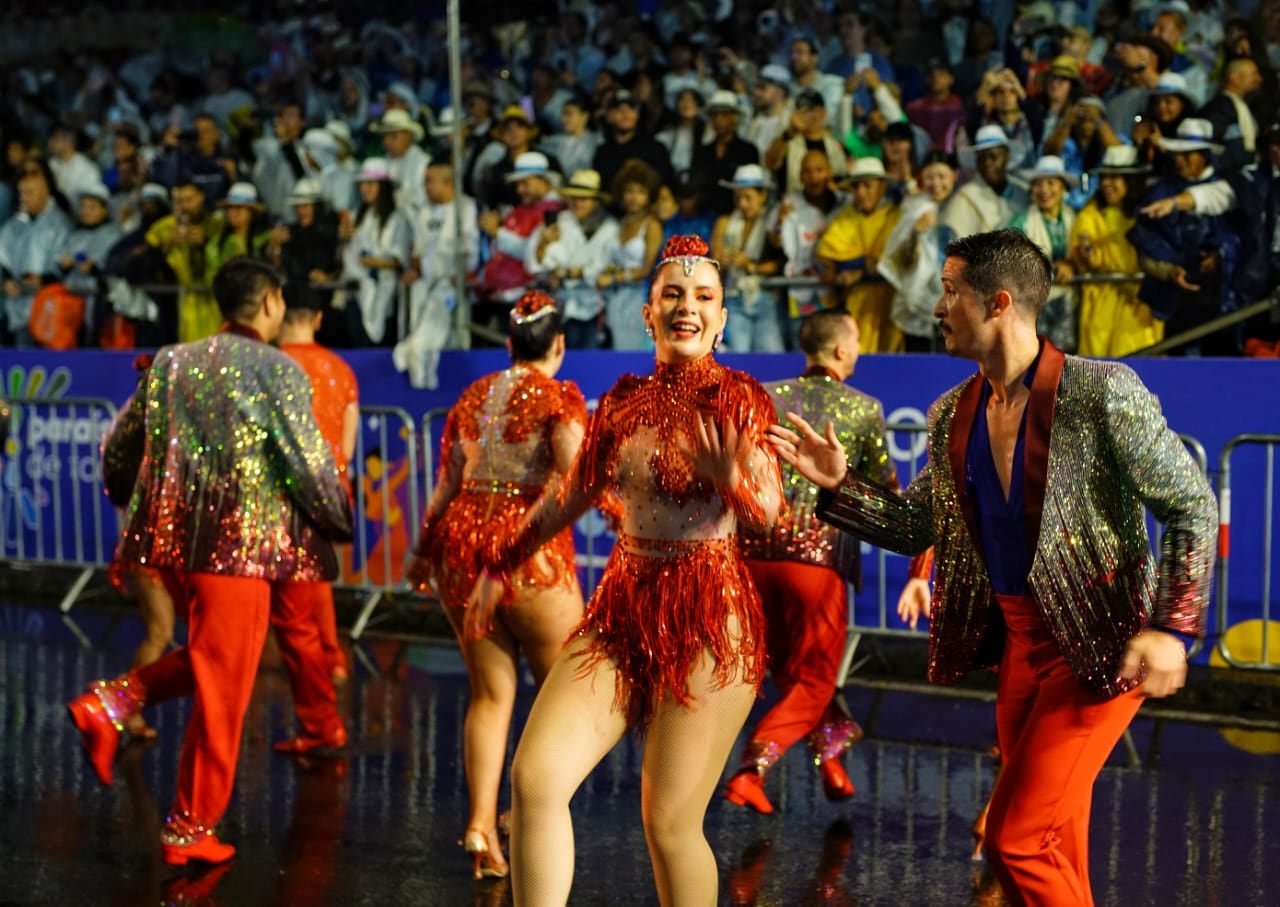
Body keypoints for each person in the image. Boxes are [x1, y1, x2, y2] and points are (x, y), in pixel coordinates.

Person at [770, 228, 1216, 907]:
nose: (935, 307)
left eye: (949, 292)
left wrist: (1172, 626)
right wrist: (840, 489)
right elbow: (917, 524)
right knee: (1047, 840)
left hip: (1099, 646)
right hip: (1019, 652)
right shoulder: (954, 411)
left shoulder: (1102, 392)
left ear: (998, 302)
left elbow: (1192, 505)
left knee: (1016, 839)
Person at [467, 235, 783, 905]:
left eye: (703, 298)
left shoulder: (741, 399)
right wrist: (500, 560)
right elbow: (568, 496)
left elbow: (770, 519)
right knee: (536, 775)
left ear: (723, 319)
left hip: (710, 618)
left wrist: (734, 481)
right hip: (622, 606)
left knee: (669, 824)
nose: (686, 307)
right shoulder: (617, 403)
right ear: (647, 314)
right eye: (672, 294)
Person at [67, 259, 353, 866]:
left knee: (211, 661)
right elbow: (308, 463)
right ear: (272, 302)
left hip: (175, 542)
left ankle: (107, 706)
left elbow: (118, 445)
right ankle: (188, 827)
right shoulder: (278, 369)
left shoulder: (172, 360)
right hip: (240, 549)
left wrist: (128, 498)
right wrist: (337, 521)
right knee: (225, 685)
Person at [406, 290, 589, 881]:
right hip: (529, 555)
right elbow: (575, 473)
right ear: (559, 345)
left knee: (490, 695)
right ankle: (528, 812)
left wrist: (420, 551)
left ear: (508, 344)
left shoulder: (474, 395)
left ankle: (482, 824)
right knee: (566, 696)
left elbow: (447, 485)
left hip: (461, 553)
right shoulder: (560, 397)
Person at [726, 310, 896, 815]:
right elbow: (881, 489)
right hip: (816, 562)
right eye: (860, 340)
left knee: (793, 673)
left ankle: (833, 761)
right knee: (817, 678)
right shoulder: (864, 409)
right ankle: (751, 771)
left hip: (754, 556)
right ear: (842, 352)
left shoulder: (765, 396)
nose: (860, 349)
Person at [278, 284, 360, 691]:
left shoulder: (271, 365)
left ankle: (315, 671)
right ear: (318, 319)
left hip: (278, 493)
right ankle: (332, 661)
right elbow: (347, 444)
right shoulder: (340, 369)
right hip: (328, 491)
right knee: (317, 579)